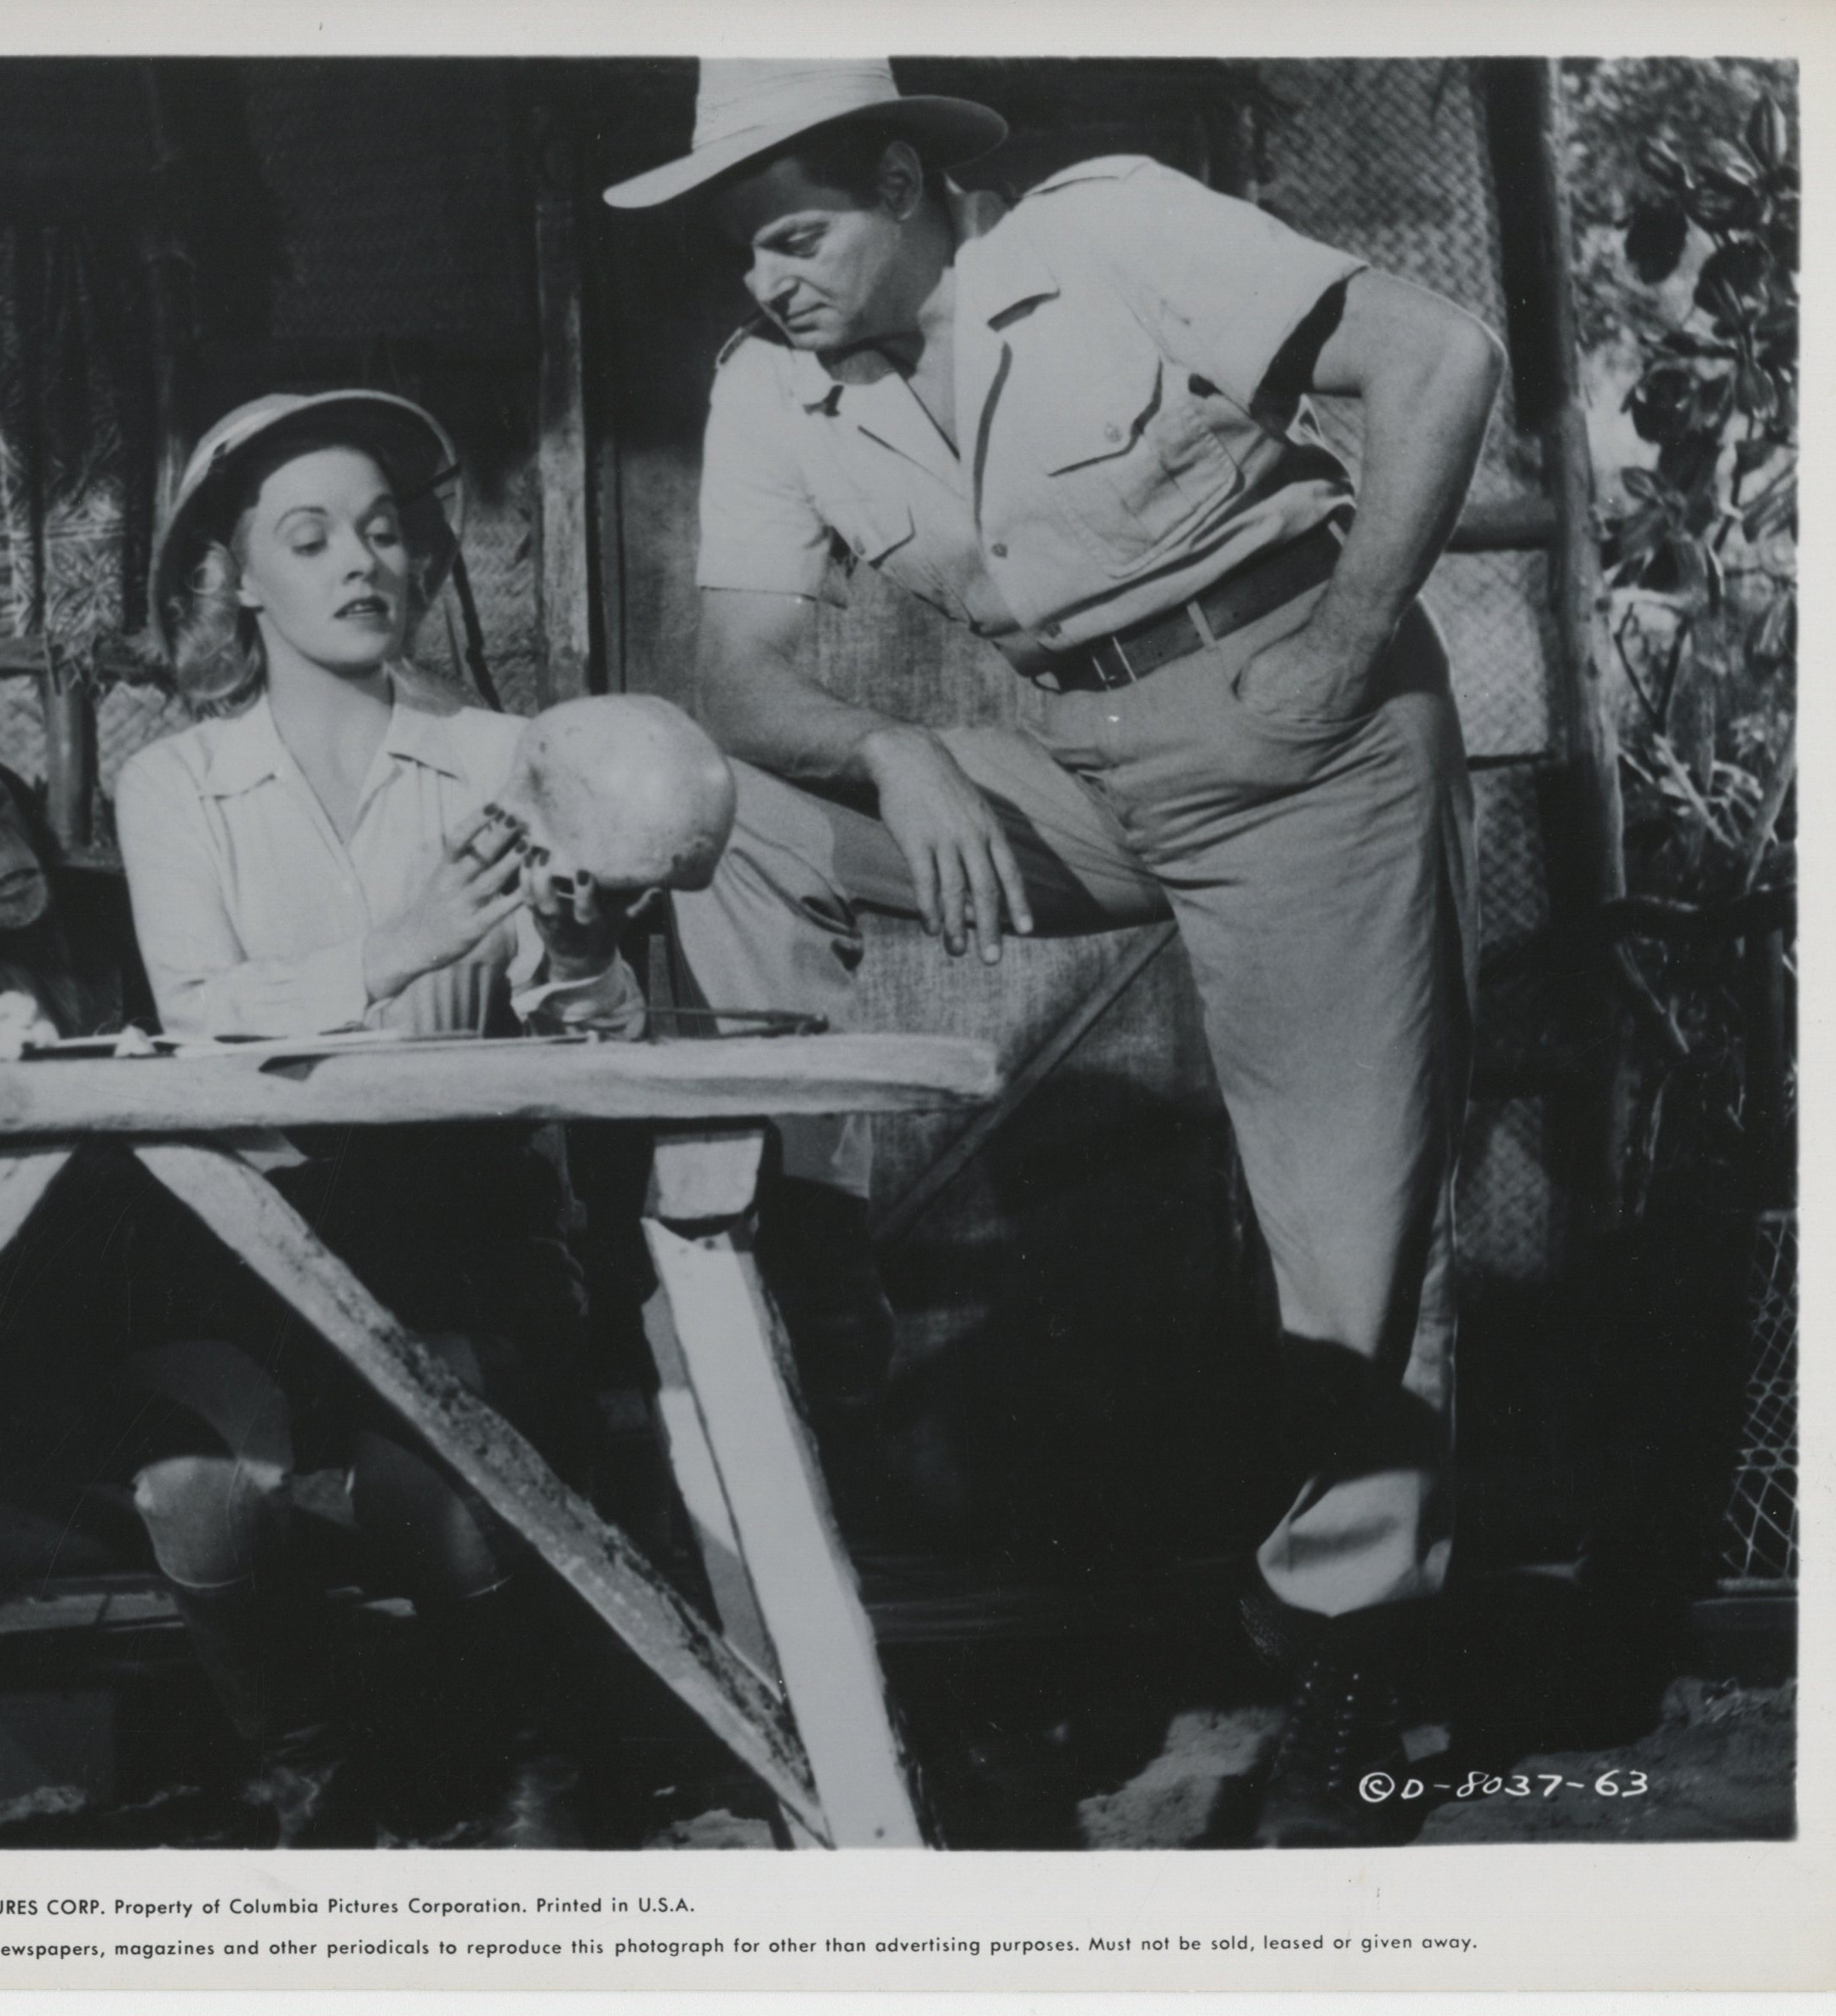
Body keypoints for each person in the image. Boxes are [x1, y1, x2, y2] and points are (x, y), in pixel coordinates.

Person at [606, 62, 1502, 1844]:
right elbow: (743, 676)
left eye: (796, 234)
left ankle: (1358, 1656)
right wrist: (901, 749)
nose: (768, 281)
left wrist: (1344, 645)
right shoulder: (776, 390)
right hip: (1070, 760)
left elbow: (1440, 359)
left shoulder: (1110, 237)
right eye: (740, 255)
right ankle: (776, 1227)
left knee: (1347, 1215)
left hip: (1292, 730)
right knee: (692, 797)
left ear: (904, 178)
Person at [111, 389, 646, 1845]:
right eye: (310, 535)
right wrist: (396, 948)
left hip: (466, 1227)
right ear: (236, 577)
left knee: (448, 1510)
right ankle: (310, 1774)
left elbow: (599, 1041)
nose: (362, 560)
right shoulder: (174, 783)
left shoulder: (515, 760)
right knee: (198, 1495)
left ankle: (537, 1755)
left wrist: (588, 954)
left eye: (385, 529)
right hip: (253, 1227)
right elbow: (198, 1009)